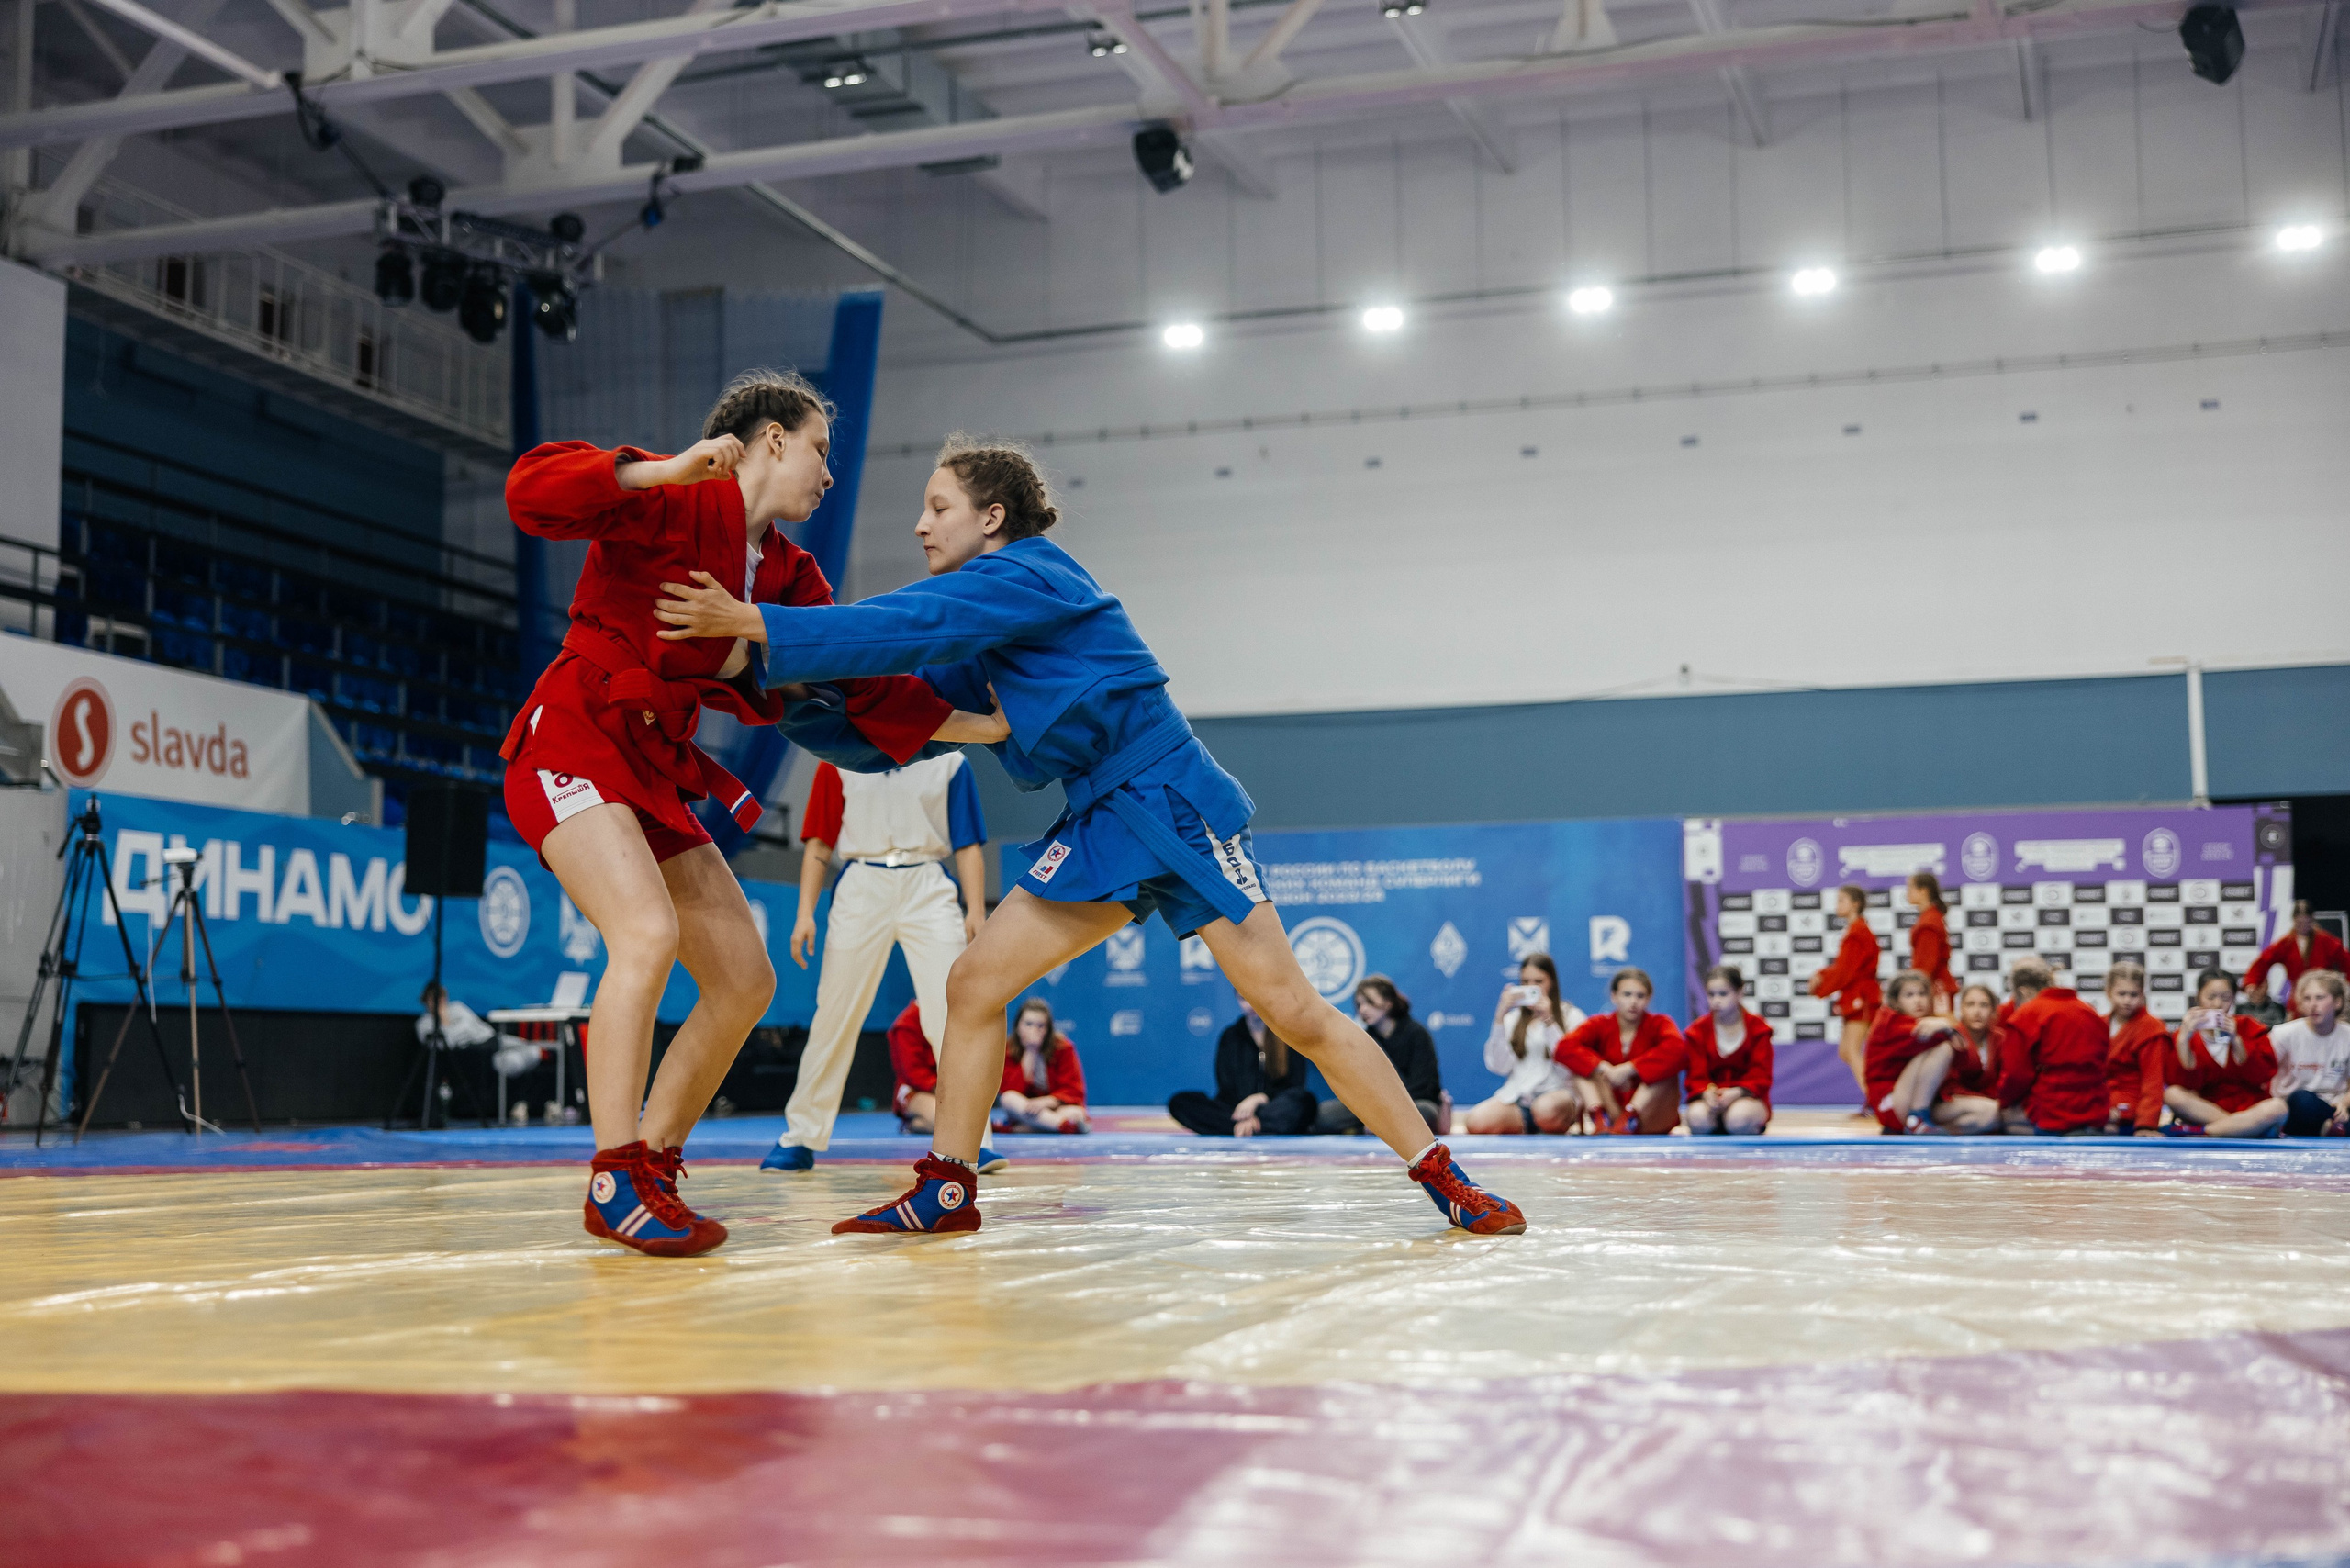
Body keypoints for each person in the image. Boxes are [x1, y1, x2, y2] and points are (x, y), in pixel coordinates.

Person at [655, 435, 1523, 1235]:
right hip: (1105, 812)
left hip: (1172, 797)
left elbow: (906, 623)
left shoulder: (1031, 576)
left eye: (938, 507)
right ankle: (947, 1187)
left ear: (991, 518)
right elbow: (895, 707)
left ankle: (1444, 1175)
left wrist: (755, 624)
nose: (919, 524)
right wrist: (763, 685)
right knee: (973, 984)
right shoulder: (990, 621)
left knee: (1292, 1010)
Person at [501, 372, 1008, 1257]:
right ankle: (613, 1172)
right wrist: (656, 471)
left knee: (745, 978)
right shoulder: (673, 496)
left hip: (652, 764)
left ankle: (652, 1163)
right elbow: (529, 492)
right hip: (572, 739)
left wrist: (980, 724)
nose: (828, 475)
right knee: (646, 935)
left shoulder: (787, 571)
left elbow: (857, 674)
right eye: (820, 450)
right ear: (772, 439)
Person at [760, 752, 991, 1173]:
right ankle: (801, 1136)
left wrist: (975, 909)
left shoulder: (952, 760)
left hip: (928, 880)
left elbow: (968, 842)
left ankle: (975, 1138)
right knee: (835, 1013)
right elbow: (819, 843)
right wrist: (804, 912)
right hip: (861, 881)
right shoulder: (836, 754)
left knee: (952, 1013)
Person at [1462, 954, 1583, 1135]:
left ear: (1552, 983)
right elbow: (1499, 1067)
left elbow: (1571, 1067)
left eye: (1538, 981)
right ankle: (1531, 1127)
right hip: (1518, 1100)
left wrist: (1549, 1021)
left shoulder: (1572, 1016)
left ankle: (1548, 1123)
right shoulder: (1512, 1019)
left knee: (1545, 1109)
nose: (1530, 988)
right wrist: (1499, 1017)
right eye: (1525, 982)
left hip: (1558, 1097)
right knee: (1476, 1121)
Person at [1556, 967, 1686, 1134]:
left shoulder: (1660, 1023)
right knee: (1580, 1067)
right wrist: (1604, 1068)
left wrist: (1631, 1069)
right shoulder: (1599, 1024)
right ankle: (1599, 1117)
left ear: (1648, 999)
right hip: (1612, 1108)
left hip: (1650, 1114)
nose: (1633, 1002)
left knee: (1666, 1071)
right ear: (1614, 996)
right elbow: (1563, 1048)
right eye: (1627, 995)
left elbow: (1679, 1050)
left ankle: (1631, 1117)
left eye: (1640, 996)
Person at [1998, 957, 2120, 1136]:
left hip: (2052, 1115)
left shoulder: (2026, 1014)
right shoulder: (2089, 1011)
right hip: (2095, 1112)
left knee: (2003, 1120)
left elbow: (2016, 1076)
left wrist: (2003, 1100)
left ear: (2022, 992)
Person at [2162, 968, 2286, 1137]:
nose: (2217, 1004)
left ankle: (2209, 1132)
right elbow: (2185, 1084)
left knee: (2278, 1107)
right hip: (2206, 1109)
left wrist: (2236, 1040)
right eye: (2211, 997)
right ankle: (2244, 1129)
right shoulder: (2184, 1035)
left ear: (2234, 999)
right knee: (2172, 1094)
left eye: (2225, 998)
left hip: (2249, 1107)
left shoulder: (2249, 1027)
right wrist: (2183, 1039)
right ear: (2198, 997)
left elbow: (2262, 1077)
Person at [1166, 997, 1316, 1137]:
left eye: (1253, 998)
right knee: (1180, 1102)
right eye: (1243, 999)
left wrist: (1260, 1099)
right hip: (1234, 1111)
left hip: (1273, 1108)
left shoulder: (1286, 1035)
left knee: (1305, 1102)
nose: (1249, 1005)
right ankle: (1251, 1127)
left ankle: (1251, 1126)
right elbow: (1225, 1086)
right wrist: (1243, 1111)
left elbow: (1295, 1085)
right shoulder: (1231, 1036)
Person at [1317, 975, 1443, 1136]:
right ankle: (1379, 1127)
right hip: (1373, 1107)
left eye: (1369, 1002)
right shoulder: (1363, 1038)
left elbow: (1424, 1085)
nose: (1363, 1009)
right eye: (1359, 1004)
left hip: (1411, 1104)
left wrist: (1387, 1112)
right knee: (1325, 1115)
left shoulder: (1417, 1034)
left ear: (1388, 1003)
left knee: (1426, 1112)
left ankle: (1379, 1128)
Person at [1809, 883, 1883, 1102]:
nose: (1837, 905)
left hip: (1861, 998)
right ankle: (1876, 1097)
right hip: (1858, 996)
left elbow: (1845, 972)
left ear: (1855, 904)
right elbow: (1846, 968)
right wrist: (1823, 975)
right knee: (1848, 1051)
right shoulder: (1856, 931)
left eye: (1842, 900)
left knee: (1851, 1050)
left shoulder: (1857, 932)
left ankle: (1874, 1099)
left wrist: (1821, 983)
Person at [1681, 964, 1774, 1136]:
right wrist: (1707, 1093)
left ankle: (1749, 1125)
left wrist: (1737, 1092)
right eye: (1711, 994)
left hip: (1747, 1098)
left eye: (1723, 994)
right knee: (1696, 1118)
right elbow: (1695, 1076)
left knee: (1738, 1119)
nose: (1716, 1000)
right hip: (1711, 1099)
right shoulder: (1697, 1031)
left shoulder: (1759, 1029)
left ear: (1739, 993)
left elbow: (1761, 1075)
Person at [1863, 969, 1959, 1134]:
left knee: (1982, 1115)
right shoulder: (1889, 1021)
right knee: (1943, 1049)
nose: (1918, 1001)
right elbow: (1948, 1039)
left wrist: (1946, 1026)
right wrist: (1946, 1024)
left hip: (1909, 1096)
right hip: (1891, 1103)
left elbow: (1960, 1046)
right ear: (1896, 1001)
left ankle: (1924, 1121)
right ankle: (1917, 1118)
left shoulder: (1921, 1021)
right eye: (1909, 995)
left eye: (1922, 994)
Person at [2269, 969, 2350, 1136]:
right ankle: (2332, 1128)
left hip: (2336, 1106)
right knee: (2302, 1100)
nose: (2313, 1004)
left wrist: (2344, 1103)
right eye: (2307, 998)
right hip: (2295, 1106)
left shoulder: (2347, 1035)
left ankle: (2330, 1126)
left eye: (2320, 997)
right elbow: (2260, 1073)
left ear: (2338, 1002)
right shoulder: (2283, 1033)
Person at [1924, 982, 2009, 1134]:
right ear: (1961, 1009)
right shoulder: (1950, 1036)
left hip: (1985, 1104)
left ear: (1994, 1011)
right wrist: (1986, 1100)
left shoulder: (2000, 1038)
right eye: (1970, 1005)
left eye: (1984, 1005)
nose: (1977, 1012)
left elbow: (2005, 1078)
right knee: (1991, 1113)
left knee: (2000, 1115)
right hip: (1948, 1103)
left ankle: (1940, 1134)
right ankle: (1933, 1135)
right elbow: (1948, 1086)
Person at [995, 997, 1088, 1133]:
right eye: (1028, 1024)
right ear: (1018, 1026)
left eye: (1040, 1026)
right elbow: (1009, 1089)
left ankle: (1025, 1129)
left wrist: (1046, 1102)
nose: (1034, 1030)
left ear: (1048, 1029)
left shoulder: (1063, 1048)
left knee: (1076, 1114)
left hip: (1053, 1107)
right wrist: (1030, 1051)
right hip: (1025, 1109)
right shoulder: (1008, 1050)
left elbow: (1074, 1090)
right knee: (1008, 1099)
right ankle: (1062, 1126)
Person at [2244, 902, 2350, 1017]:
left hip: (2324, 997)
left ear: (2312, 920)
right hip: (2298, 1001)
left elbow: (2346, 960)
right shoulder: (2286, 943)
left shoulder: (2326, 941)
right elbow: (2263, 962)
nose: (2303, 927)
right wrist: (2252, 983)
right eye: (2299, 923)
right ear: (2294, 920)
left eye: (2307, 923)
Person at [2102, 961, 2169, 1136]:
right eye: (2121, 994)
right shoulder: (2099, 1023)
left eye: (2133, 995)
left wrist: (2146, 1125)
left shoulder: (2151, 1027)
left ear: (2142, 994)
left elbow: (2153, 1080)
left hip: (2132, 1109)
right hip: (2102, 1105)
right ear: (2108, 993)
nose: (2127, 1000)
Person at [1907, 872, 1956, 1012]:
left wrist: (1911, 988)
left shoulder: (1929, 922)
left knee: (1940, 1030)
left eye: (1910, 888)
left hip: (1935, 988)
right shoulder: (1931, 917)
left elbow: (1926, 964)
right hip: (1935, 986)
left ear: (1923, 891)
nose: (1907, 892)